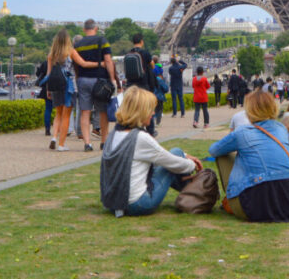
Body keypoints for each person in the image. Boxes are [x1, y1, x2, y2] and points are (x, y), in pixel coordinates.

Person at [99, 87, 203, 217]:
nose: (153, 113)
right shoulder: (140, 138)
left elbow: (159, 154)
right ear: (141, 112)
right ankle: (196, 194)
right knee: (176, 155)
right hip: (138, 204)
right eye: (151, 110)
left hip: (114, 203)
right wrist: (193, 164)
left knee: (176, 153)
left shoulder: (114, 134)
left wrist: (185, 155)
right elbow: (173, 163)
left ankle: (192, 193)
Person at [209, 91, 289, 222]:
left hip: (253, 208)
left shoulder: (242, 132)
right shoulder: (281, 129)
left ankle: (231, 199)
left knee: (223, 155)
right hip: (288, 205)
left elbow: (214, 150)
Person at [73, 19, 118, 152]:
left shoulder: (78, 44)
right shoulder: (102, 41)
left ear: (84, 29)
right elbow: (108, 61)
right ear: (96, 28)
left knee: (85, 112)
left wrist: (78, 78)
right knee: (102, 112)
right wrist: (112, 79)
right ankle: (103, 141)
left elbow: (76, 64)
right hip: (100, 80)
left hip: (83, 79)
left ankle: (87, 143)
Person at [47, 29, 76, 151]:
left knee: (58, 114)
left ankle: (54, 137)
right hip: (68, 86)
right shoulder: (71, 53)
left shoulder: (51, 55)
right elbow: (81, 65)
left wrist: (48, 89)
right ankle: (61, 144)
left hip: (55, 86)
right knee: (66, 116)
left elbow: (49, 74)